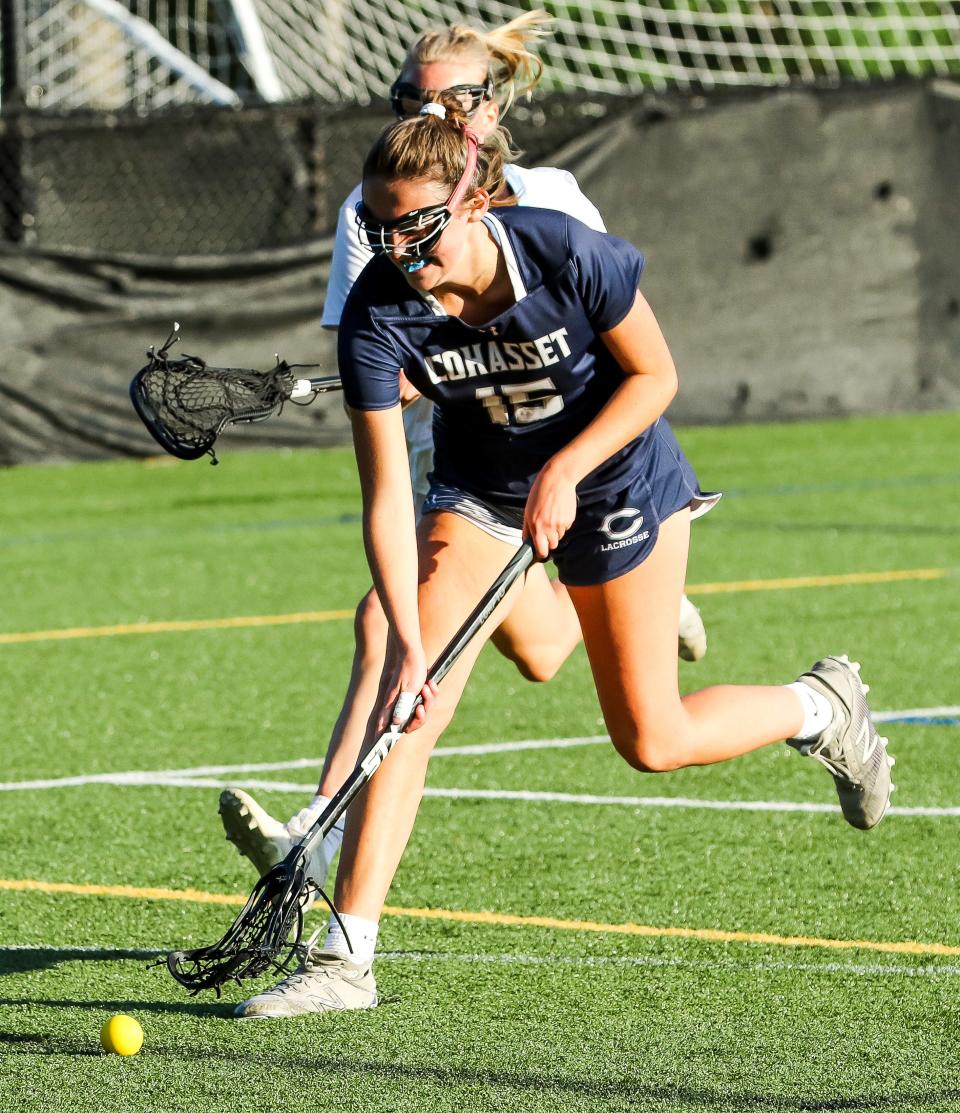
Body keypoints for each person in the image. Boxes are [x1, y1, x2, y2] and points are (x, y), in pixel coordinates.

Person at [232, 96, 896, 1020]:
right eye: (377, 231)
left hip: (620, 478)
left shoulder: (564, 253)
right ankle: (348, 958)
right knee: (407, 701)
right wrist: (412, 646)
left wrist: (570, 467)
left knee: (651, 740)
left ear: (476, 200)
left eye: (417, 228)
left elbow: (656, 377)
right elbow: (386, 499)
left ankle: (820, 704)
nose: (397, 252)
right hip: (481, 492)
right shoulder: (379, 317)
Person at [219, 10, 706, 892]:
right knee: (542, 649)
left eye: (448, 99)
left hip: (581, 462)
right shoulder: (371, 211)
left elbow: (615, 349)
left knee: (390, 624)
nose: (426, 113)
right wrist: (409, 373)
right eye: (408, 98)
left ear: (491, 106)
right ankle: (639, 605)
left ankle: (315, 835)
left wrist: (561, 460)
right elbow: (384, 343)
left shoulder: (552, 204)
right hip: (471, 470)